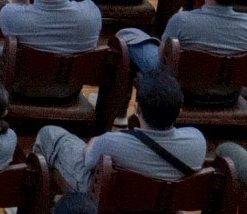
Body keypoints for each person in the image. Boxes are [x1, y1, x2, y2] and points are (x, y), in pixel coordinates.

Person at [33, 71, 204, 194]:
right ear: (180, 111)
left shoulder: (112, 142)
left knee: (50, 133)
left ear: (137, 110)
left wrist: (92, 143)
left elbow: (88, 162)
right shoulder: (198, 142)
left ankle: (38, 202)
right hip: (162, 208)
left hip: (108, 203)